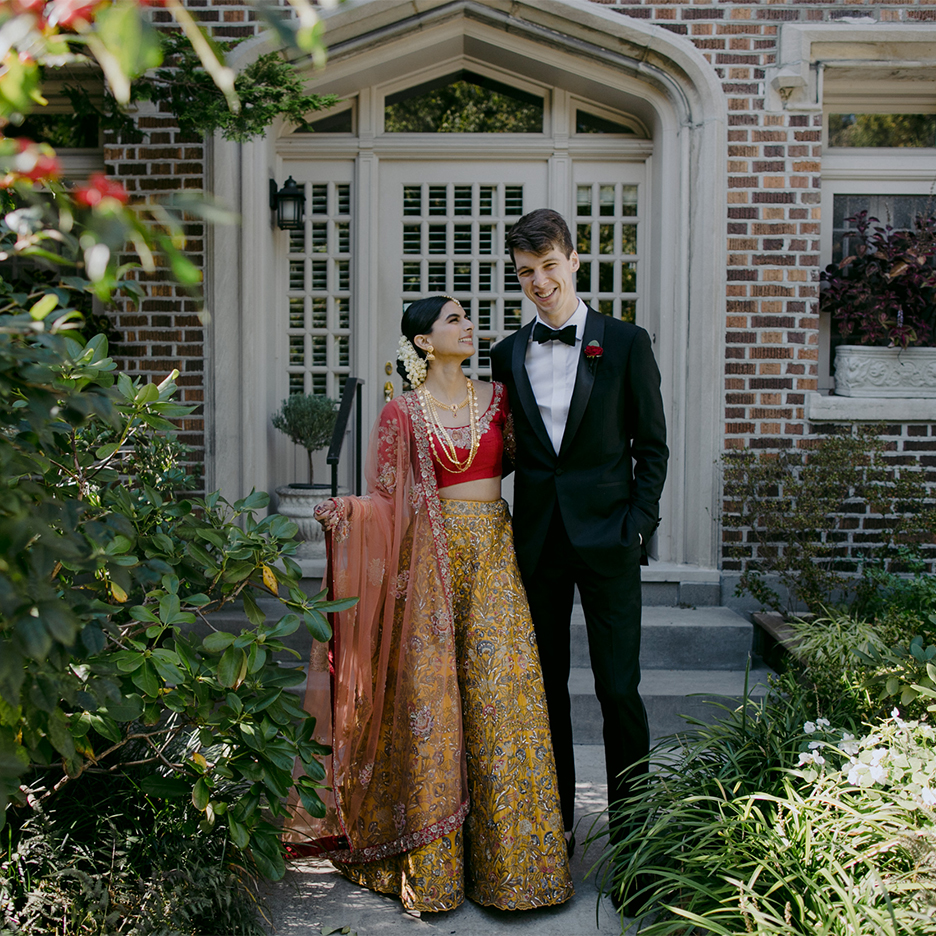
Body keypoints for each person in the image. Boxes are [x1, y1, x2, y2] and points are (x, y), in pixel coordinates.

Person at [286, 296, 573, 914]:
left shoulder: (499, 400)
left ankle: (518, 872)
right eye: (453, 319)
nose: (468, 325)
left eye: (467, 317)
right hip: (432, 568)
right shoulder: (400, 413)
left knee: (505, 703)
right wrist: (351, 513)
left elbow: (542, 466)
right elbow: (386, 502)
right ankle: (436, 873)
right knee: (436, 708)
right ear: (422, 342)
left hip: (495, 559)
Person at [490, 210, 668, 906]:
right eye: (526, 272)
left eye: (549, 266)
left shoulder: (624, 343)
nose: (539, 282)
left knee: (618, 691)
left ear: (574, 259)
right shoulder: (507, 353)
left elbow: (651, 447)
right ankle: (551, 835)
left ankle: (633, 846)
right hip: (536, 545)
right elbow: (496, 448)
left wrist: (638, 526)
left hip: (610, 542)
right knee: (547, 693)